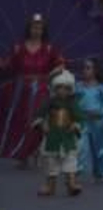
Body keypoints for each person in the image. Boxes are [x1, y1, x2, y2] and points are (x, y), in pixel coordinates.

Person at [1, 13, 64, 161]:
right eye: (34, 27)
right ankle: (23, 150)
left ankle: (32, 148)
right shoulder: (18, 48)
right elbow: (8, 66)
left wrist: (49, 75)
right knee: (20, 119)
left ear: (44, 30)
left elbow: (60, 65)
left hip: (40, 89)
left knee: (35, 119)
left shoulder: (49, 49)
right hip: (20, 90)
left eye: (39, 28)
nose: (36, 31)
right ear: (29, 29)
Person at [35, 68, 83, 198]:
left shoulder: (72, 103)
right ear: (55, 88)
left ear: (70, 89)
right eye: (60, 87)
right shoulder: (49, 102)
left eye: (66, 88)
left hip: (67, 136)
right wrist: (42, 124)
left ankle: (71, 184)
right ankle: (50, 186)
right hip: (53, 136)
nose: (63, 90)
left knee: (70, 161)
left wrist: (75, 125)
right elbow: (39, 114)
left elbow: (79, 117)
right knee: (51, 162)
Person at [74, 60, 103, 182]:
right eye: (84, 68)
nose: (85, 70)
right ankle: (76, 171)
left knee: (99, 149)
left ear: (95, 70)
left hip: (97, 122)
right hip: (83, 121)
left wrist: (100, 112)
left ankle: (100, 172)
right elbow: (73, 103)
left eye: (88, 68)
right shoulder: (78, 87)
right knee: (80, 147)